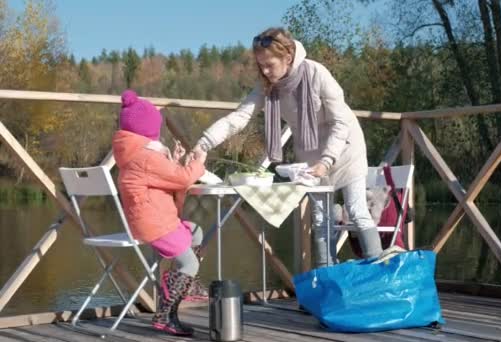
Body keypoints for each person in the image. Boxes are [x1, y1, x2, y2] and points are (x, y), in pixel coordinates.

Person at [194, 27, 382, 267]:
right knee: (320, 219)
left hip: (345, 148)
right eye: (260, 64)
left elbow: (340, 121)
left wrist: (327, 160)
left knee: (356, 211)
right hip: (311, 158)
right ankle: (325, 280)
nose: (264, 70)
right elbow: (238, 118)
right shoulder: (267, 86)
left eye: (269, 64)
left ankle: (379, 273)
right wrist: (204, 143)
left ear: (288, 58)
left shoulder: (316, 73)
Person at [112, 90, 206, 336]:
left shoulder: (133, 152)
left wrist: (173, 160)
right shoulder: (145, 157)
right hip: (153, 223)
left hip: (149, 218)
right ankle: (166, 314)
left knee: (196, 231)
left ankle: (185, 282)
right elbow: (184, 180)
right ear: (149, 129)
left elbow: (162, 177)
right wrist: (199, 162)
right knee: (190, 261)